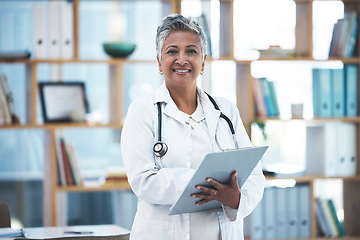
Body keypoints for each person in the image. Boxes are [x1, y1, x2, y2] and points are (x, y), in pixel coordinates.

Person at [121, 14, 266, 240]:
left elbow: (255, 176)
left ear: (203, 61)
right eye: (172, 51)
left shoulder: (226, 110)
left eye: (191, 51)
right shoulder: (143, 110)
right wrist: (205, 184)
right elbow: (143, 181)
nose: (182, 59)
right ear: (159, 62)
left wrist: (235, 199)